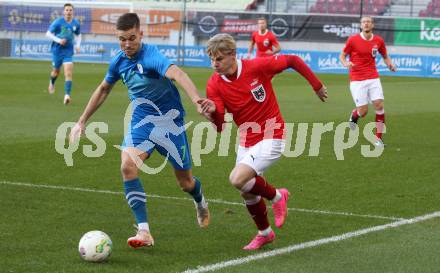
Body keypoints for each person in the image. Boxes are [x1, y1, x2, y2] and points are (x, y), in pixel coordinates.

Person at [69, 13, 210, 249]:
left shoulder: (152, 55)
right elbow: (104, 89)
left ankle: (200, 200)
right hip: (141, 122)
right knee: (127, 165)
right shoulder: (119, 61)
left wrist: (196, 99)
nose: (127, 44)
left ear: (140, 34)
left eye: (131, 38)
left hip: (170, 123)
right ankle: (144, 231)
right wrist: (82, 120)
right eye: (122, 39)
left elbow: (178, 73)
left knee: (186, 183)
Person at [198, 33, 327, 250]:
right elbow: (220, 127)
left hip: (272, 134)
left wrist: (316, 85)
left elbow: (293, 60)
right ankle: (265, 233)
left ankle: (277, 197)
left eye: (218, 59)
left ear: (233, 55)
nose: (214, 64)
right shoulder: (214, 84)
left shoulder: (256, 67)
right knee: (247, 189)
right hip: (247, 139)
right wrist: (212, 114)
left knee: (237, 178)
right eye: (211, 59)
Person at [339, 16, 396, 146]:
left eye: (368, 22)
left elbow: (385, 56)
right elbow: (342, 55)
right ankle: (355, 115)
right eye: (364, 22)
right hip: (357, 79)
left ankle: (378, 138)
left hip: (373, 77)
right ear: (361, 25)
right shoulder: (353, 40)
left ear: (372, 25)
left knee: (379, 105)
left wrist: (390, 65)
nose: (366, 24)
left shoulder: (378, 41)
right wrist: (345, 62)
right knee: (363, 112)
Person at [46, 3, 81, 105]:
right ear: (63, 12)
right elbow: (48, 34)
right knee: (56, 71)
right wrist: (58, 40)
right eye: (67, 10)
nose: (68, 12)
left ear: (73, 12)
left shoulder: (76, 23)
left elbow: (78, 35)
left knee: (68, 73)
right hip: (57, 51)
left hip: (68, 51)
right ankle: (52, 82)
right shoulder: (58, 22)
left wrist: (78, 45)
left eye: (70, 10)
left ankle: (67, 95)